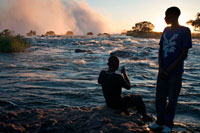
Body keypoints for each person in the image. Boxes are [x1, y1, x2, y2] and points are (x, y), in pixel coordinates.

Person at [148, 6, 192, 132]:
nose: (165, 18)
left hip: (175, 72)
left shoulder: (185, 31)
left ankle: (168, 124)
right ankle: (159, 121)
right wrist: (161, 68)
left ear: (174, 15)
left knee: (172, 99)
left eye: (167, 15)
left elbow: (183, 54)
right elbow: (161, 49)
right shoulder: (165, 30)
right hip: (162, 71)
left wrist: (169, 69)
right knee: (159, 97)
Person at [98, 55, 151, 121]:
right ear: (117, 66)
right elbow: (128, 87)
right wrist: (124, 74)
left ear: (108, 64)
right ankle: (144, 116)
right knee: (137, 97)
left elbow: (99, 82)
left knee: (122, 97)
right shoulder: (118, 77)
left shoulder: (102, 74)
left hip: (109, 103)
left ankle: (127, 112)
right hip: (118, 104)